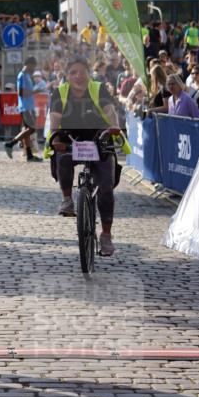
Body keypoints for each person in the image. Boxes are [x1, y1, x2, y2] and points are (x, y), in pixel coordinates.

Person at [44, 55, 130, 257]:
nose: (78, 76)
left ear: (88, 73)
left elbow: (109, 111)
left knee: (106, 188)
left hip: (99, 135)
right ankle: (67, 200)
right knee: (63, 157)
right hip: (71, 137)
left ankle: (106, 236)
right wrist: (55, 136)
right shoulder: (60, 92)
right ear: (67, 75)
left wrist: (114, 126)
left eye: (82, 72)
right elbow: (55, 118)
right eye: (73, 72)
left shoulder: (98, 88)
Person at [4, 56, 42, 162]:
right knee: (32, 129)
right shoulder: (22, 76)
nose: (34, 68)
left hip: (28, 106)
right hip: (26, 107)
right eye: (34, 66)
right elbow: (21, 92)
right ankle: (10, 144)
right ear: (29, 64)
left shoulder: (27, 75)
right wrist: (35, 92)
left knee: (27, 131)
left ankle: (29, 155)